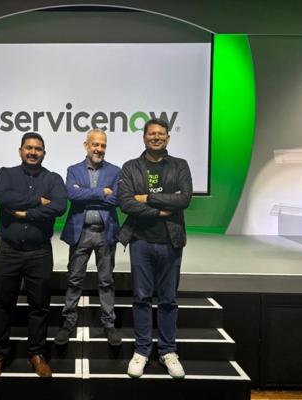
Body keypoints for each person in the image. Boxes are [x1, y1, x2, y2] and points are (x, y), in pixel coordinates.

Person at [0, 132, 67, 380]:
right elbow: (4, 197)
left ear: (44, 153)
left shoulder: (53, 179)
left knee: (39, 306)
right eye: (28, 148)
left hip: (39, 253)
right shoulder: (5, 174)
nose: (33, 152)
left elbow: (60, 206)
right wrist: (38, 201)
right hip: (8, 251)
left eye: (38, 149)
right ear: (20, 150)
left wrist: (27, 213)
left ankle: (36, 354)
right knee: (3, 304)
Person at [118, 118, 192, 379]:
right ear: (144, 138)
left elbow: (184, 199)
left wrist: (148, 198)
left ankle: (168, 350)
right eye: (151, 134)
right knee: (141, 298)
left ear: (168, 138)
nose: (156, 137)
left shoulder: (180, 165)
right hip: (140, 241)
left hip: (171, 241)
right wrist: (161, 209)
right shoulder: (130, 167)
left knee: (168, 299)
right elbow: (126, 203)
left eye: (161, 134)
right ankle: (141, 350)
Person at [56, 129, 122, 346]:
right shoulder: (73, 170)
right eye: (95, 144)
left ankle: (109, 324)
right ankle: (68, 322)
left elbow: (117, 200)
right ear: (86, 145)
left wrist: (86, 193)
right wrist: (102, 192)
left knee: (106, 281)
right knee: (74, 279)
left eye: (103, 145)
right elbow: (72, 195)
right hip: (80, 232)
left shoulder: (115, 171)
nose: (99, 149)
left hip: (105, 232)